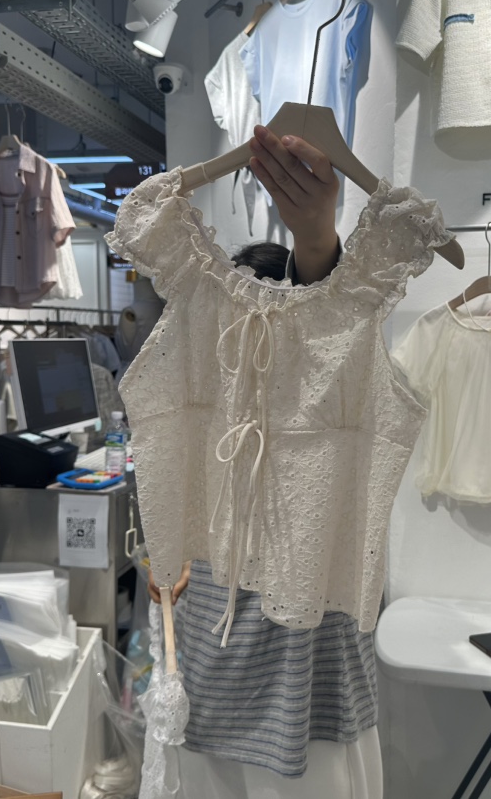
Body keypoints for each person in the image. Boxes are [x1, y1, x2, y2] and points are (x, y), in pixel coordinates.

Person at [145, 126, 382, 798]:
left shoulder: (334, 352)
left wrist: (317, 238)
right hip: (207, 641)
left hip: (308, 650)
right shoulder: (200, 358)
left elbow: (330, 313)